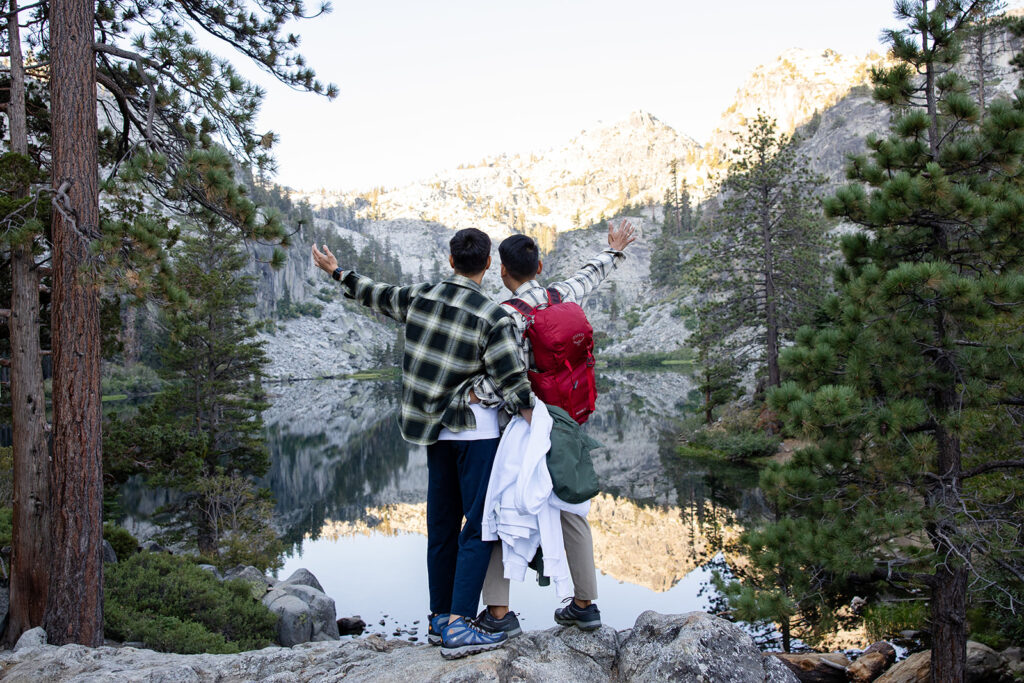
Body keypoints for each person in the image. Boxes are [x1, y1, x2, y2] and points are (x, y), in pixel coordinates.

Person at [312, 228, 534, 660]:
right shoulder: (493, 316)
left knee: (443, 526)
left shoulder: (420, 297)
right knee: (480, 526)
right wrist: (544, 428)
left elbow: (374, 293)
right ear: (488, 265)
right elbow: (513, 384)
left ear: (451, 261)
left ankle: (437, 620)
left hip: (435, 434)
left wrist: (337, 271)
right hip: (478, 435)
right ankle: (459, 625)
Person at [473, 218, 637, 637]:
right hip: (568, 420)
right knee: (570, 505)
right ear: (540, 266)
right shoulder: (557, 295)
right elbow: (588, 276)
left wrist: (475, 395)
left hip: (528, 425)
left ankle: (497, 613)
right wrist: (614, 249)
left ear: (502, 271)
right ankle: (584, 604)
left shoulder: (505, 315)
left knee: (506, 507)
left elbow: (503, 379)